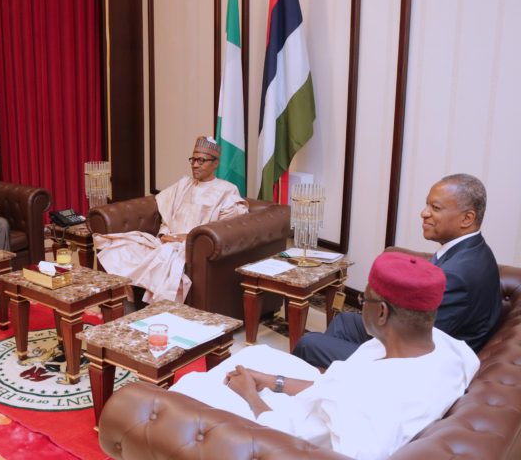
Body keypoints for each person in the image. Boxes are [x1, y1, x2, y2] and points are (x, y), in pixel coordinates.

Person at [170, 252, 479, 460]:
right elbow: (333, 390)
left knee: (190, 387)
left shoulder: (371, 399)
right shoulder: (453, 349)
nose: (359, 304)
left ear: (382, 312)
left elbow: (292, 442)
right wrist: (272, 382)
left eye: (363, 298)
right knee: (259, 356)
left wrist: (252, 396)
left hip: (287, 435)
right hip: (314, 407)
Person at [293, 173, 501, 368]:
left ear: (467, 219)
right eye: (427, 205)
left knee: (309, 343)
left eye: (435, 208)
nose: (424, 213)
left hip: (420, 365)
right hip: (418, 341)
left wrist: (380, 312)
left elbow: (418, 344)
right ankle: (337, 385)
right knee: (344, 322)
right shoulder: (472, 250)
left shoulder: (458, 274)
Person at [93, 136, 249, 303]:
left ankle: (155, 312)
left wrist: (182, 239)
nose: (195, 164)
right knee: (118, 247)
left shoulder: (226, 190)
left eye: (201, 160)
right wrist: (163, 235)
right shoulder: (184, 184)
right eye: (193, 159)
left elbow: (223, 230)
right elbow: (167, 216)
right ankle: (123, 302)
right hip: (166, 241)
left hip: (191, 247)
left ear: (215, 163)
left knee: (165, 259)